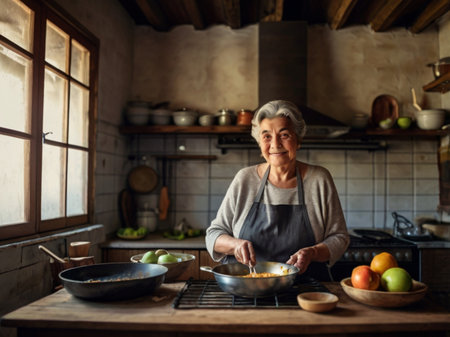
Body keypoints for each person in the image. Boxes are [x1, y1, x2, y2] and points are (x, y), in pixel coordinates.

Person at [205, 100, 349, 281]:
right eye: (266, 136)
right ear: (259, 142)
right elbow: (213, 235)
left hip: (306, 291)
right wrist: (235, 245)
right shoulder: (245, 179)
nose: (275, 144)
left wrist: (312, 253)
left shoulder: (319, 179)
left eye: (284, 135)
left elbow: (340, 237)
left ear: (298, 140)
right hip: (248, 289)